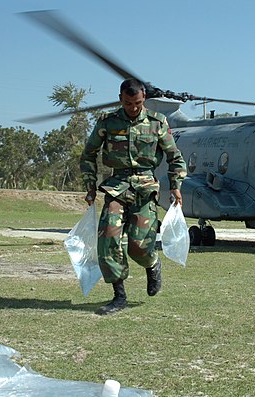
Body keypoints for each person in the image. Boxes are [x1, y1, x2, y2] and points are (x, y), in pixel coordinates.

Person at [80, 78, 187, 315]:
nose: (133, 108)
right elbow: (88, 155)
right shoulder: (107, 123)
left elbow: (175, 158)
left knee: (139, 247)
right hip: (116, 187)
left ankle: (152, 264)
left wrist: (176, 186)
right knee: (108, 238)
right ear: (121, 99)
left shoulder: (158, 123)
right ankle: (119, 296)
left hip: (145, 188)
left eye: (138, 103)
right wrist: (90, 185)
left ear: (144, 99)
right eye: (129, 103)